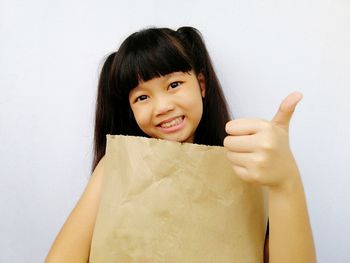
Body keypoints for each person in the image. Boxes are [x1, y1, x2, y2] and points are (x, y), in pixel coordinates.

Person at [45, 26, 316, 262]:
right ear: (130, 109)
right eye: (142, 98)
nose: (162, 106)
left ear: (201, 85)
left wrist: (285, 181)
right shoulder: (116, 167)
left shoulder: (245, 168)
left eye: (174, 84)